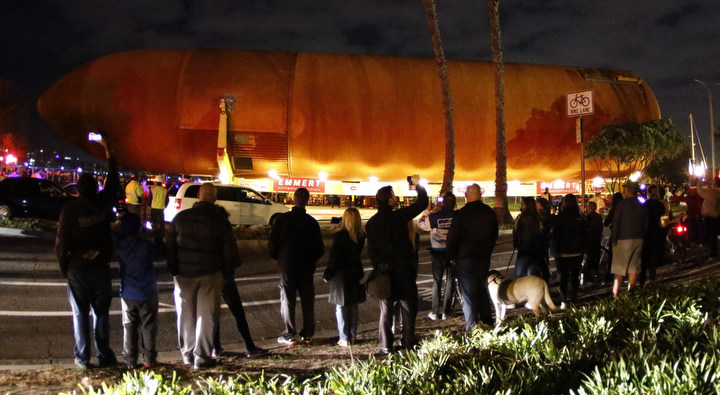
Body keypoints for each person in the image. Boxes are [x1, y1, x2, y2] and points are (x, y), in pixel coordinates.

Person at [55, 132, 119, 369]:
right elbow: (112, 180)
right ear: (95, 188)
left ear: (78, 190)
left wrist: (66, 268)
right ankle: (104, 355)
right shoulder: (103, 203)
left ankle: (83, 358)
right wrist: (108, 148)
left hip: (78, 269)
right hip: (100, 268)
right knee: (101, 314)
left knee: (80, 314)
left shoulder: (70, 210)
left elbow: (61, 243)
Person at [166, 182, 237, 369]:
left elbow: (170, 247)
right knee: (207, 316)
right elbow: (230, 252)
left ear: (198, 195)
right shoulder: (221, 222)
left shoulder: (180, 218)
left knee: (185, 315)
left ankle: (187, 354)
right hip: (210, 274)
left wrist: (174, 269)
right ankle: (202, 357)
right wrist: (227, 274)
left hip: (184, 274)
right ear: (214, 198)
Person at [365, 175, 428, 353]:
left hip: (384, 272)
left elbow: (371, 251)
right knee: (408, 307)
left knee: (386, 310)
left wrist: (378, 266)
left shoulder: (371, 223)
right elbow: (422, 203)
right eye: (393, 195)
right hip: (403, 269)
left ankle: (385, 344)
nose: (396, 198)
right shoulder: (399, 217)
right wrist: (418, 185)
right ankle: (408, 340)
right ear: (389, 199)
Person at [269, 187, 325, 346]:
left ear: (294, 199)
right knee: (307, 300)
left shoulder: (282, 220)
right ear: (307, 201)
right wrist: (311, 260)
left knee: (287, 299)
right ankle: (308, 333)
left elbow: (273, 244)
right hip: (306, 267)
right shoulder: (311, 222)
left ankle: (289, 334)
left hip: (287, 265)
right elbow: (319, 248)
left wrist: (279, 257)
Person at [445, 183, 498, 332]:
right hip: (483, 257)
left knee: (468, 295)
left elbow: (453, 238)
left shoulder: (461, 214)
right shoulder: (489, 212)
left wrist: (449, 257)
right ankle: (488, 322)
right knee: (482, 290)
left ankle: (472, 327)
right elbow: (494, 234)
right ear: (480, 195)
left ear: (467, 196)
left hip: (465, 259)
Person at [115, 212, 164, 369]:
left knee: (129, 326)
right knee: (148, 326)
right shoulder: (145, 246)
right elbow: (161, 255)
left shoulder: (119, 245)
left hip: (128, 292)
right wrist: (158, 238)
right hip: (147, 291)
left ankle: (130, 360)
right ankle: (149, 359)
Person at [322, 208, 366, 347]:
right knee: (353, 306)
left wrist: (328, 274)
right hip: (356, 272)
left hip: (341, 275)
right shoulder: (361, 236)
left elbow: (334, 258)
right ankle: (352, 335)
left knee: (341, 306)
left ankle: (344, 337)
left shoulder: (340, 236)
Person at [416, 192, 457, 320]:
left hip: (438, 253)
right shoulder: (457, 216)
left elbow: (420, 223)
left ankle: (435, 312)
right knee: (450, 282)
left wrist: (428, 211)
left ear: (442, 202)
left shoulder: (435, 216)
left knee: (437, 282)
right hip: (453, 253)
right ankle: (446, 312)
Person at [610, 183, 648, 298]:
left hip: (624, 238)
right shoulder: (642, 203)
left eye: (625, 190)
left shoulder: (622, 204)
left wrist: (613, 239)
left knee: (619, 268)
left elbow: (616, 222)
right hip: (638, 238)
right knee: (633, 267)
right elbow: (645, 222)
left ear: (628, 191)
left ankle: (615, 294)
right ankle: (630, 291)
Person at [553, 194, 588, 308]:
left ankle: (563, 300)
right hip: (577, 251)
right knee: (575, 276)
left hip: (563, 252)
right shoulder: (580, 217)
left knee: (563, 277)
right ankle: (574, 299)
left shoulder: (560, 217)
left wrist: (555, 249)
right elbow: (584, 234)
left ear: (565, 202)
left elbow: (555, 234)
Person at [640, 185, 667, 285]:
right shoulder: (660, 205)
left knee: (644, 256)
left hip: (646, 232)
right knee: (653, 256)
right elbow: (663, 213)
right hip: (656, 231)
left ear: (649, 193)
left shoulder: (645, 204)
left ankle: (642, 279)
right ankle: (652, 277)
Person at [513, 196, 545, 278]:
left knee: (519, 274)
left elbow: (516, 232)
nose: (522, 206)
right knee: (532, 274)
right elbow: (542, 234)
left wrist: (515, 243)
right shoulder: (539, 218)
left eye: (523, 204)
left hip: (524, 249)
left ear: (526, 205)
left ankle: (520, 289)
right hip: (536, 250)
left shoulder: (521, 218)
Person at [697, 179, 720, 259]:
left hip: (710, 216)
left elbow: (700, 191)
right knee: (713, 235)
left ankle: (712, 252)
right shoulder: (717, 193)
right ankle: (713, 251)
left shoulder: (712, 193)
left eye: (713, 181)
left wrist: (700, 182)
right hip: (716, 216)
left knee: (710, 235)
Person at [584, 201, 604, 282]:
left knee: (590, 256)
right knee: (596, 255)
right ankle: (595, 270)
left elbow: (586, 227)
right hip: (597, 238)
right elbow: (601, 227)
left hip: (590, 239)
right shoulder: (598, 216)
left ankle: (589, 272)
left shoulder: (588, 217)